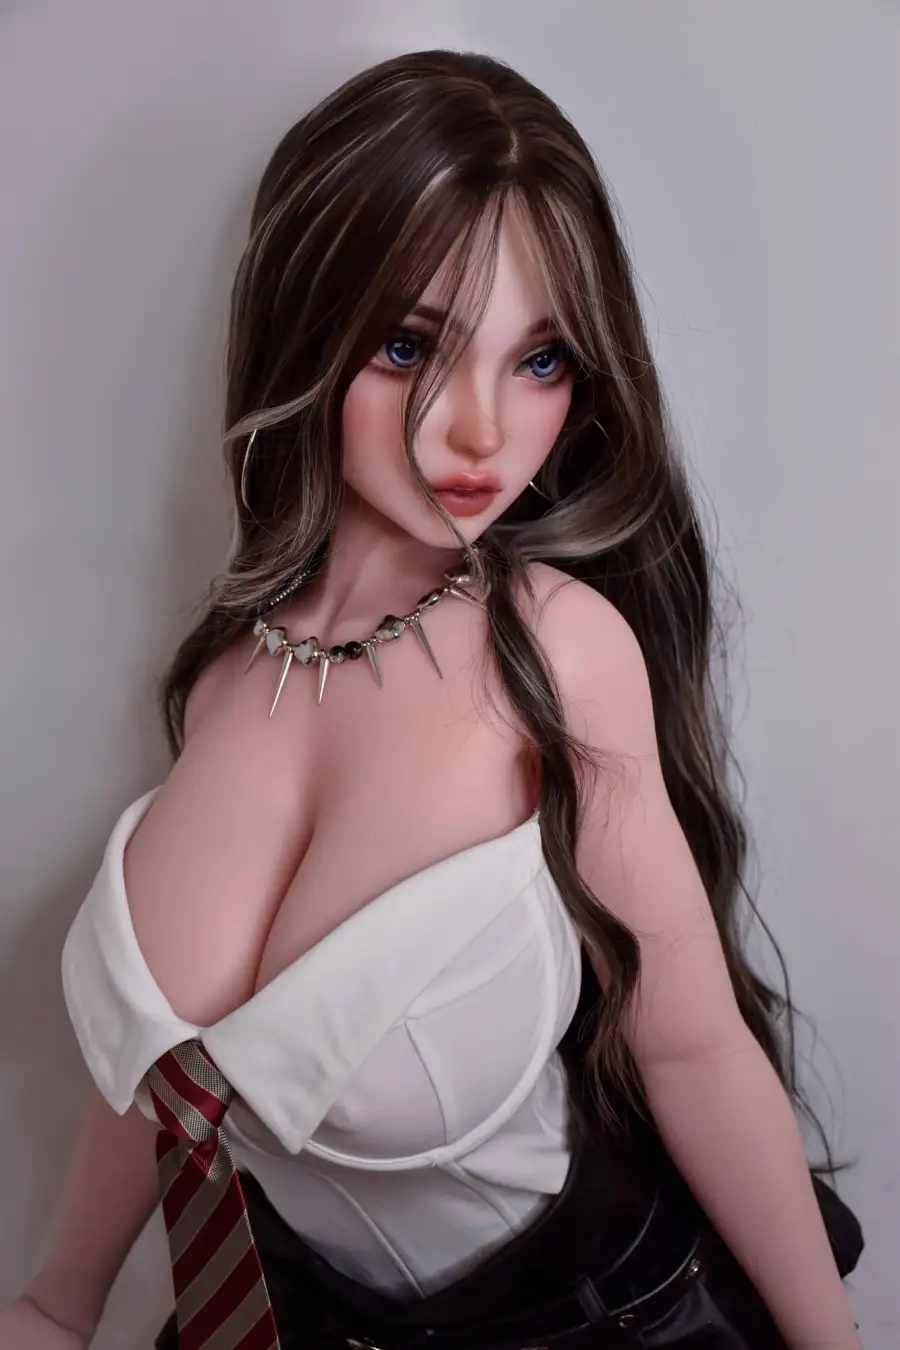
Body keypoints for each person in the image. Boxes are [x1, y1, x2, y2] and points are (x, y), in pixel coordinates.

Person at [1, 49, 864, 1350]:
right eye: (410, 348)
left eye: (541, 359)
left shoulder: (556, 653)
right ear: (306, 325)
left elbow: (688, 1046)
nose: (480, 431)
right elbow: (167, 1081)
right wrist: (58, 1300)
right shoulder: (231, 675)